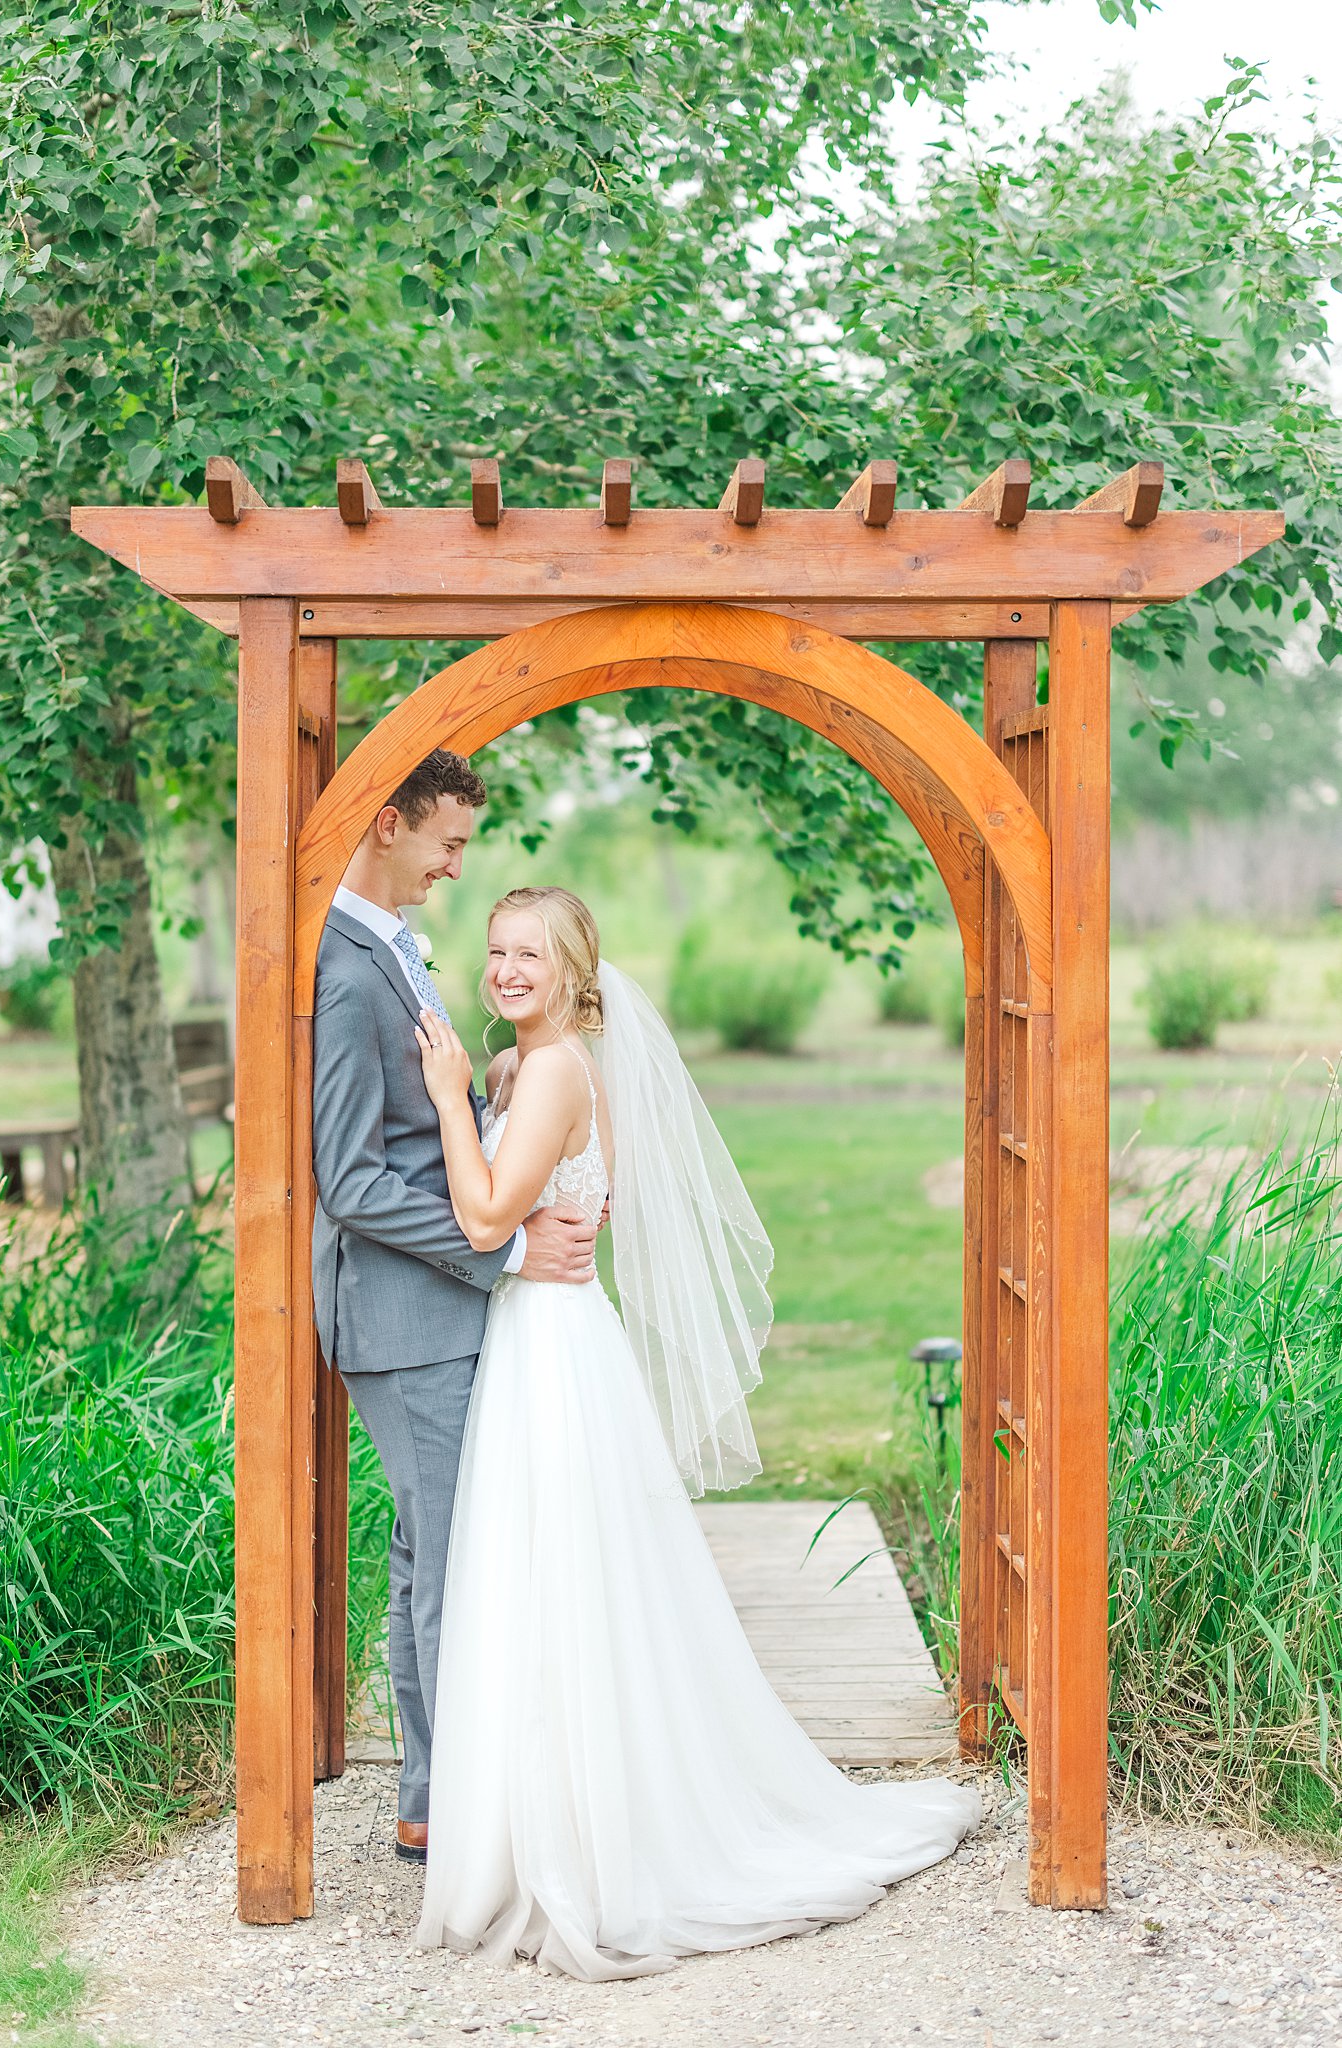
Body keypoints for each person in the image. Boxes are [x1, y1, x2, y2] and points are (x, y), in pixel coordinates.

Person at [412, 885, 981, 1981]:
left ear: (577, 970)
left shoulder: (551, 1069)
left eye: (529, 952)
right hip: (550, 1337)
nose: (504, 969)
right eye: (494, 950)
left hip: (550, 1346)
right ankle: (550, 1820)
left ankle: (581, 1843)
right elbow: (521, 1207)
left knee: (555, 1580)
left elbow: (484, 1217)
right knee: (553, 1580)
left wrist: (446, 1098)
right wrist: (483, 1111)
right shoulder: (539, 1066)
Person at [310, 754, 599, 1867]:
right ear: (388, 823)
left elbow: (439, 1129)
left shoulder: (392, 948)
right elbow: (353, 1176)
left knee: (430, 1552)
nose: (455, 865)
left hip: (446, 1301)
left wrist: (532, 1169)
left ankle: (435, 1793)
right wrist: (512, 1242)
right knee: (453, 1556)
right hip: (404, 1313)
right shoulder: (346, 969)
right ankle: (455, 1806)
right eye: (450, 841)